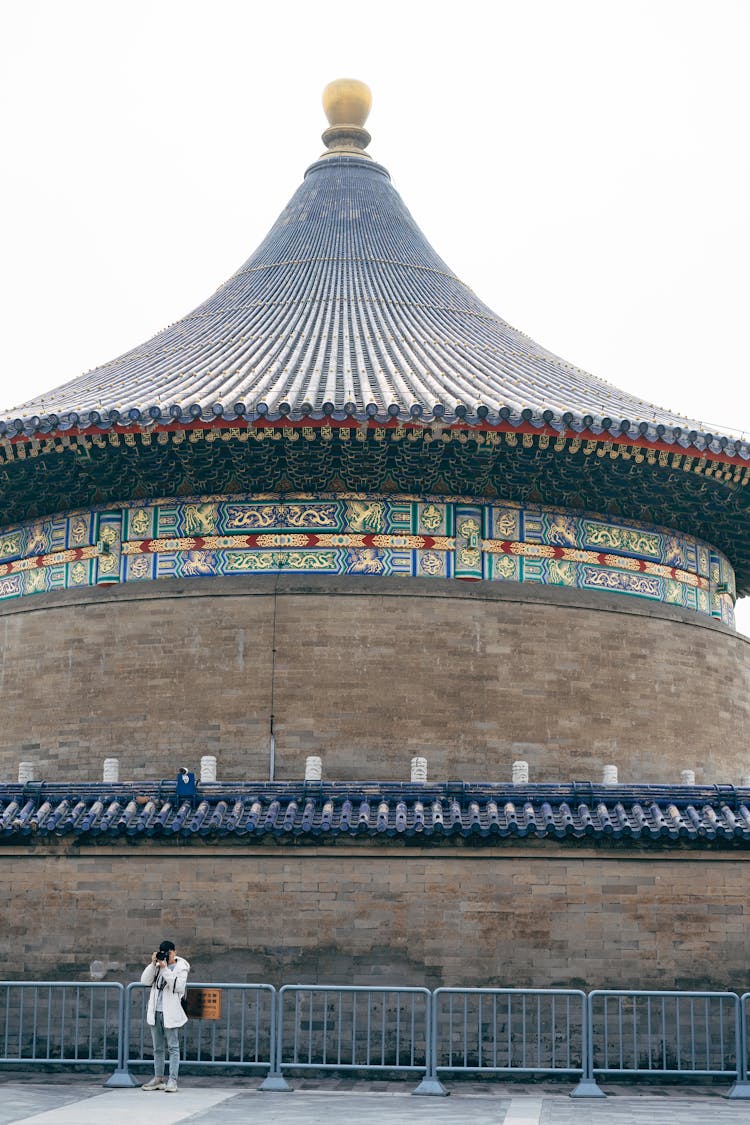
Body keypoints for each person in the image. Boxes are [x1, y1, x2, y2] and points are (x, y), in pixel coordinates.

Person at [140, 939, 190, 1093]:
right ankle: (158, 1078)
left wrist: (165, 969)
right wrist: (152, 964)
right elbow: (145, 981)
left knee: (173, 1048)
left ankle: (172, 1080)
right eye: (164, 953)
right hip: (155, 1011)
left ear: (174, 952)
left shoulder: (181, 967)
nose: (166, 955)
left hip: (171, 1012)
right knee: (157, 1049)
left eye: (168, 952)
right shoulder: (157, 965)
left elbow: (178, 986)